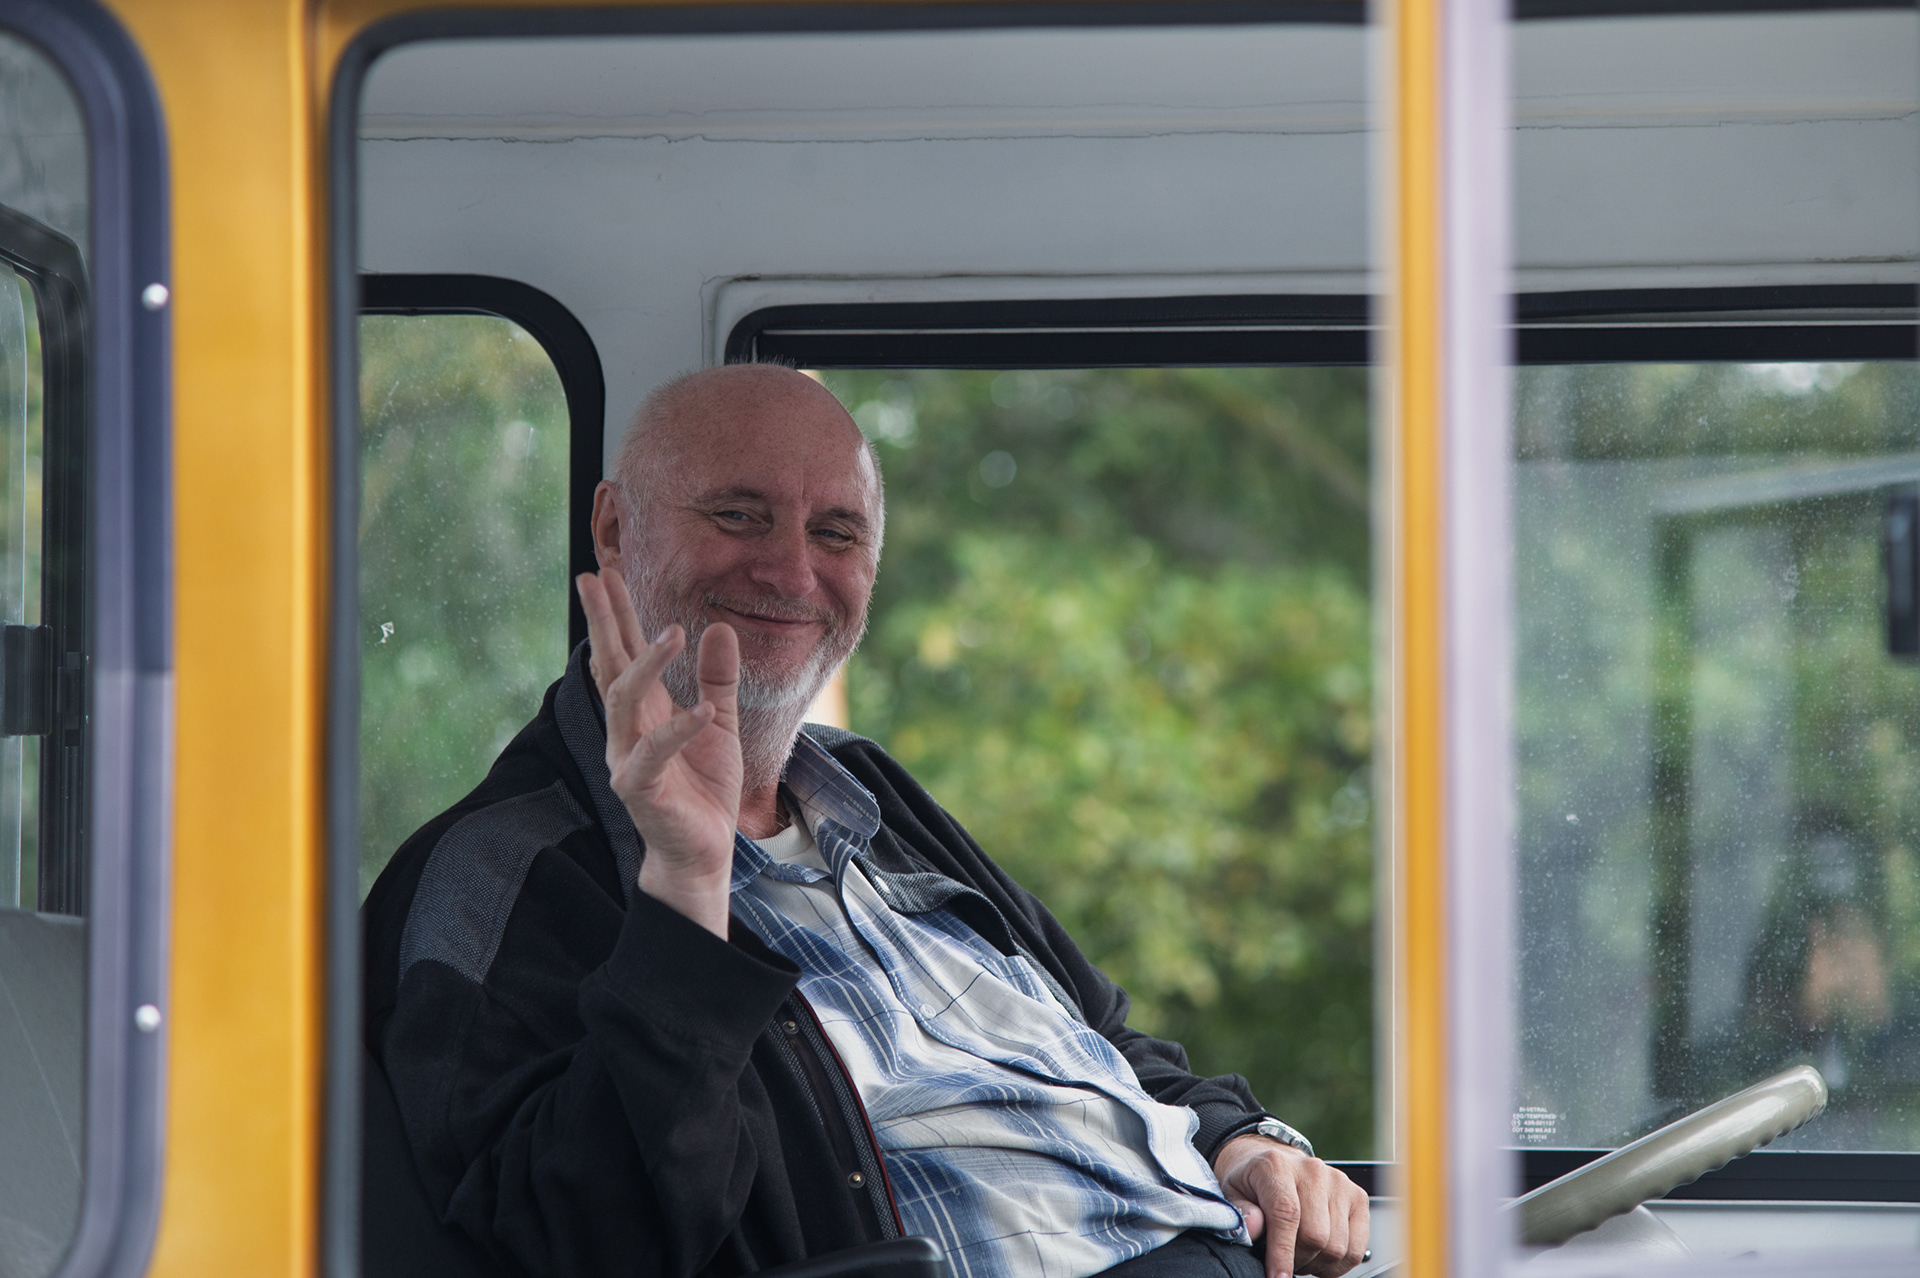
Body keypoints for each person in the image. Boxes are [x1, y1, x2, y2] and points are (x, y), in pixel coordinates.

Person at [362, 364, 1370, 1278]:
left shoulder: (866, 792)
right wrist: (685, 892)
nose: (791, 573)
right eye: (740, 515)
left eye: (835, 534)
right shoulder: (491, 874)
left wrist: (1241, 1140)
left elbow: (1096, 1037)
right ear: (616, 529)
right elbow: (588, 1239)